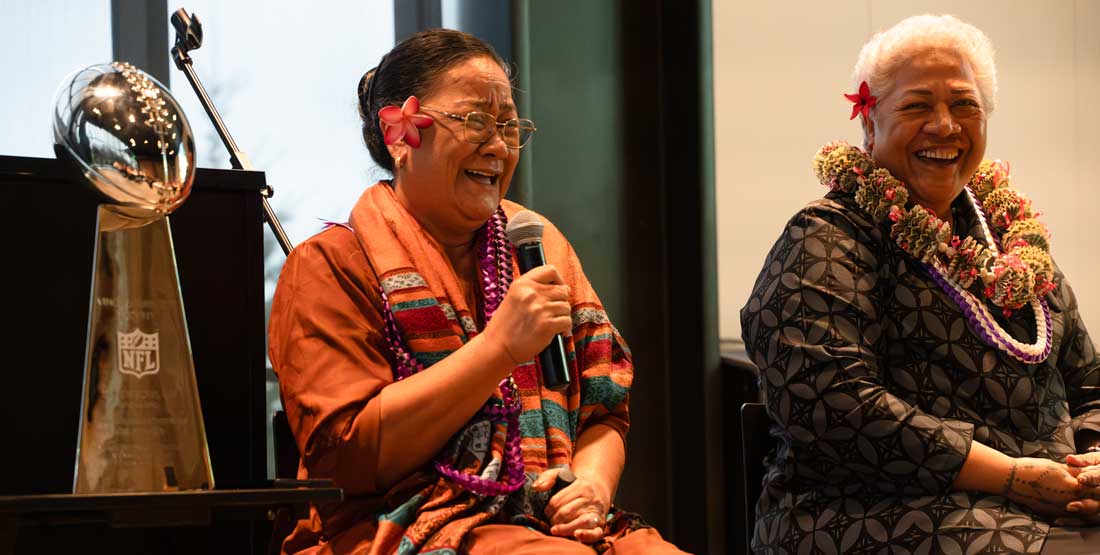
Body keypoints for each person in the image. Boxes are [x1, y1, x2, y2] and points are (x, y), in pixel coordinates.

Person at [268, 29, 686, 555]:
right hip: (397, 520)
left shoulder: (538, 244)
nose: (497, 147)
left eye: (509, 127)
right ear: (399, 134)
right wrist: (498, 349)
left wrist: (591, 489)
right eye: (476, 122)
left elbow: (603, 412)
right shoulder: (330, 265)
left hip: (544, 514)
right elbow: (347, 455)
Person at [740, 14, 1100, 554]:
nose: (945, 125)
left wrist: (1092, 462)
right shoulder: (827, 236)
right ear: (869, 121)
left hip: (1044, 497)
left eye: (964, 105)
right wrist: (1008, 475)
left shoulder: (1008, 238)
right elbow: (832, 404)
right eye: (916, 106)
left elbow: (1087, 380)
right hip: (870, 508)